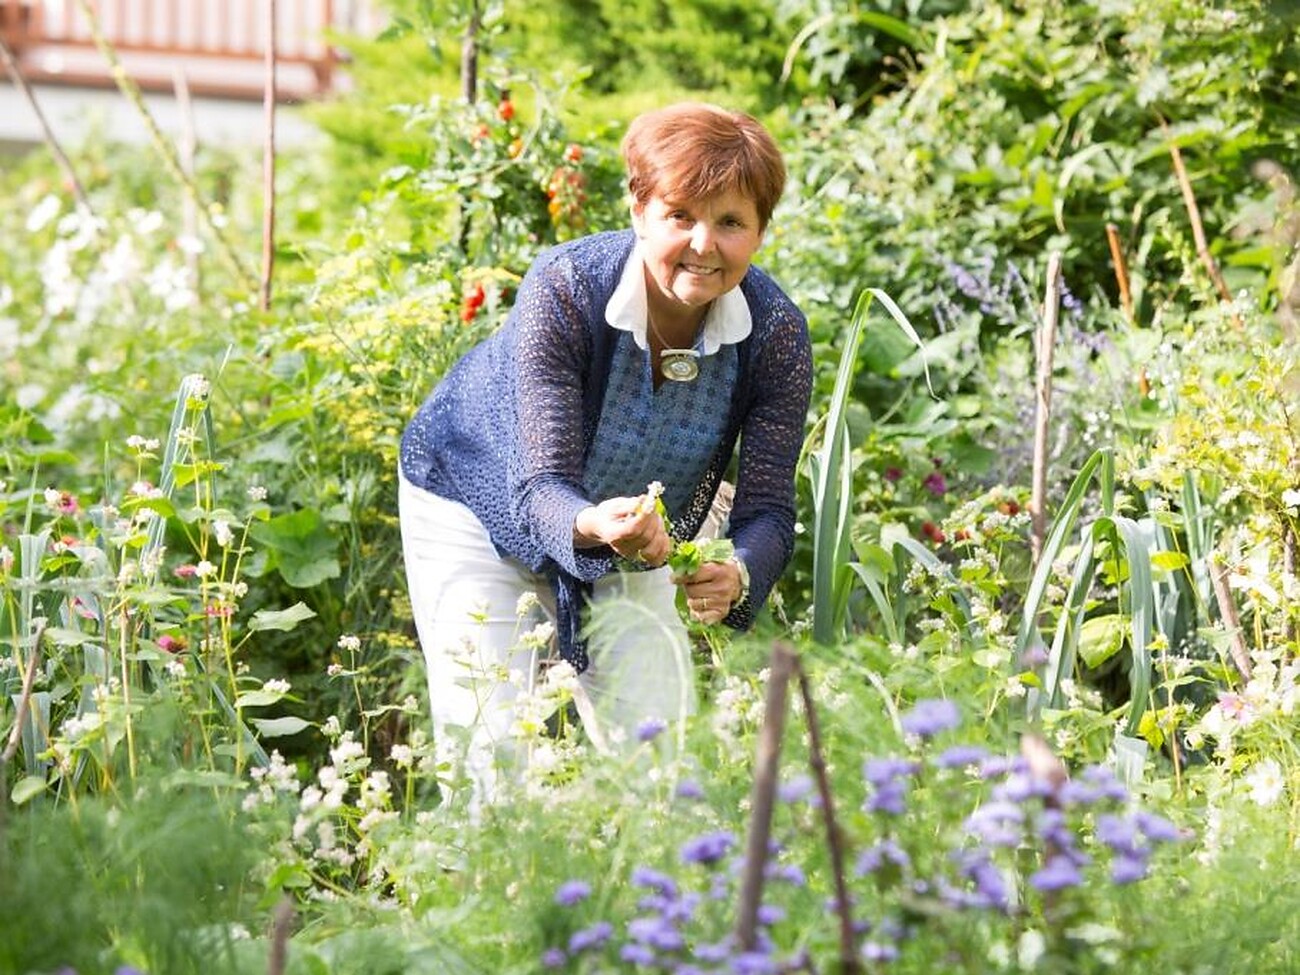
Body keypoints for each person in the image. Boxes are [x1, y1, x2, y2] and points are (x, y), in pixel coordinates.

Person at [397, 101, 812, 803]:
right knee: (492, 769)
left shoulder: (774, 333)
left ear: (760, 231)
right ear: (639, 209)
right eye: (680, 215)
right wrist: (593, 523)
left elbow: (769, 510)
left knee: (665, 771)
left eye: (730, 222)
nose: (704, 244)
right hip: (475, 501)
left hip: (632, 539)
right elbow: (539, 488)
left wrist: (739, 571)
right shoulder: (566, 287)